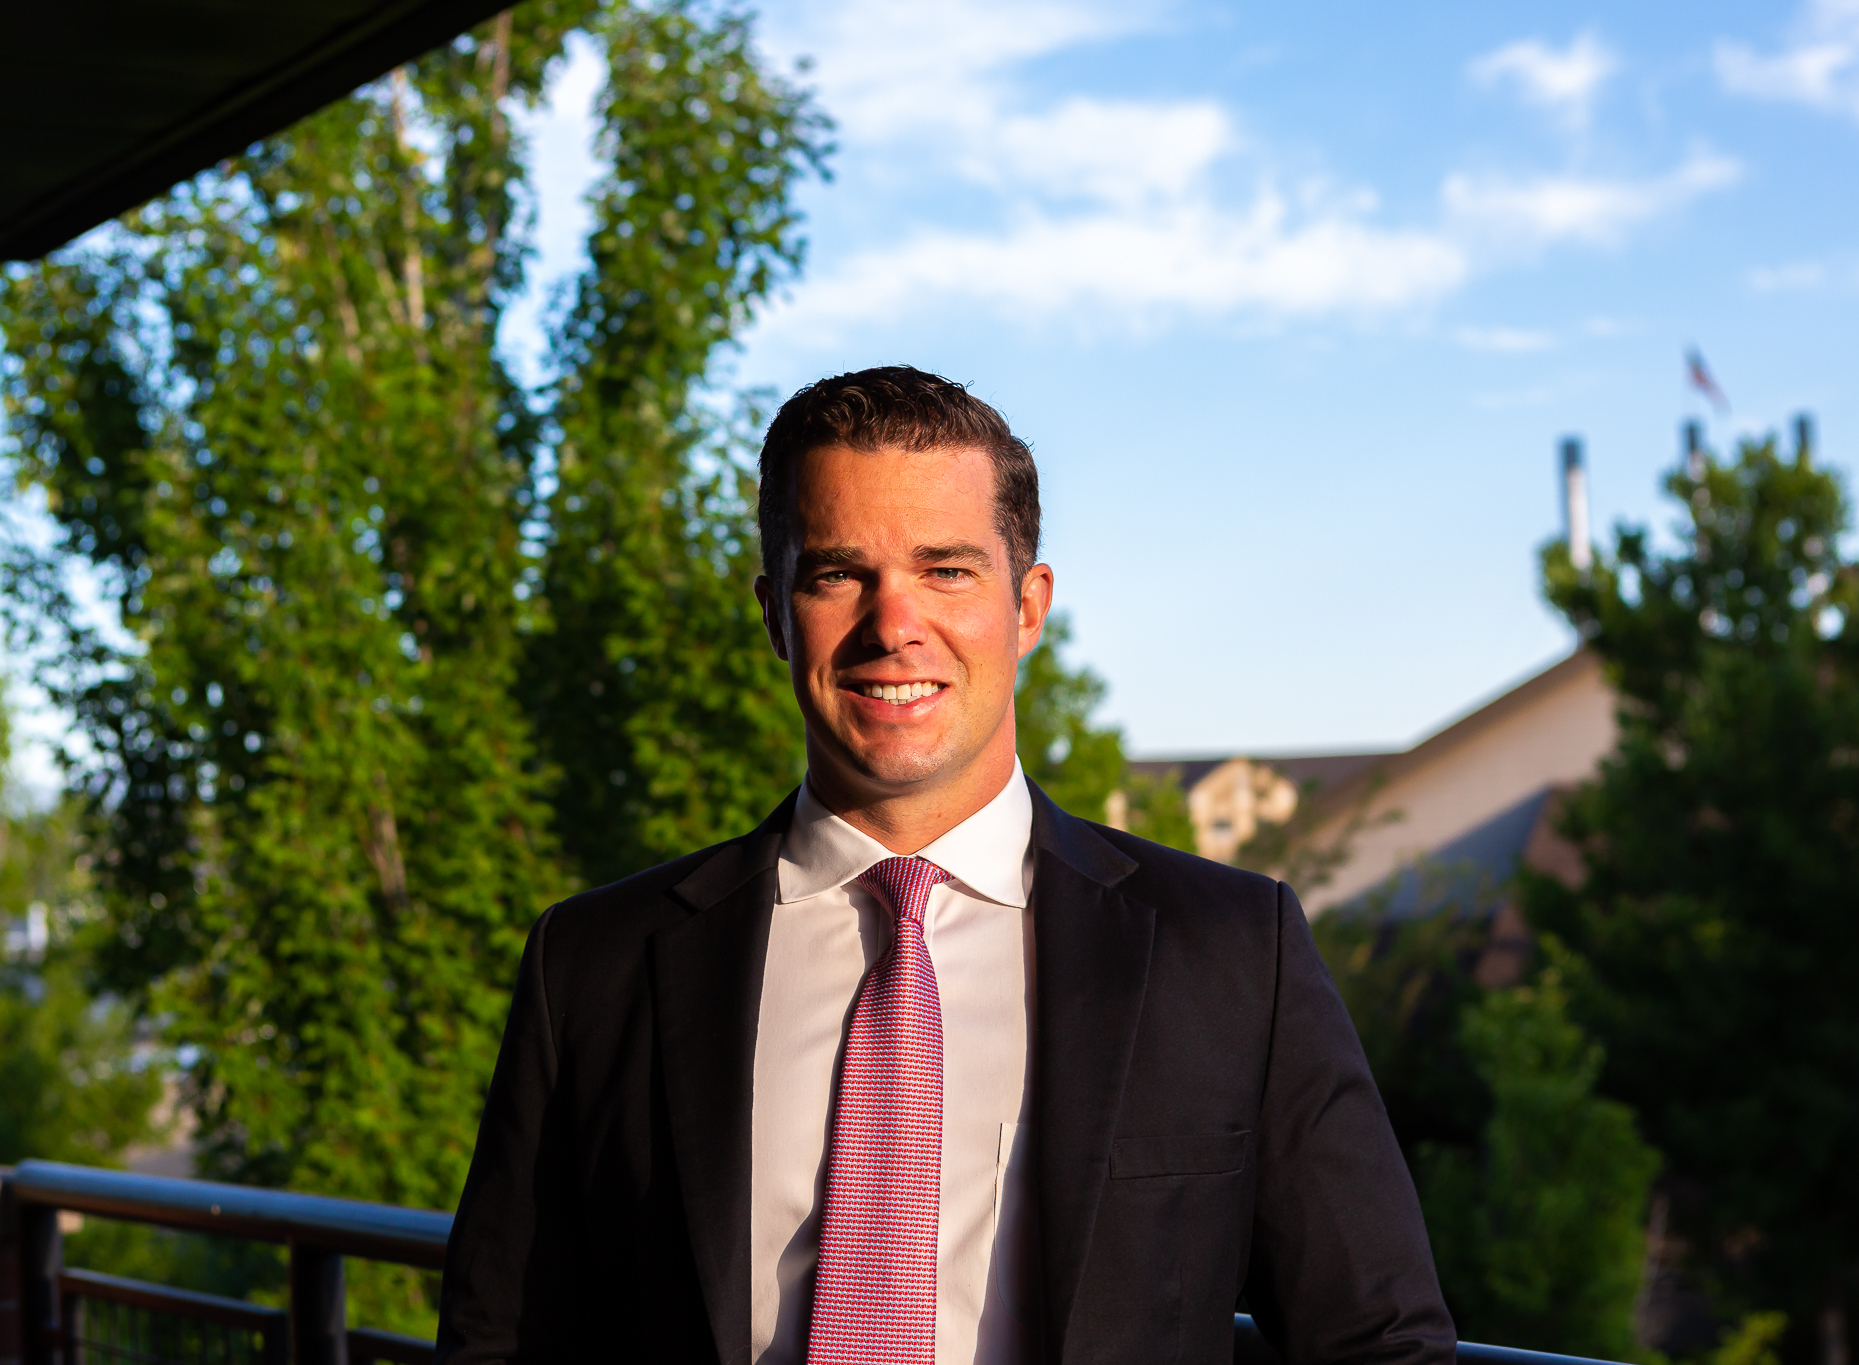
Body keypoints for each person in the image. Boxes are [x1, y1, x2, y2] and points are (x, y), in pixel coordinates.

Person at [434, 367, 1453, 1365]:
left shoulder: (1230, 953)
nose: (893, 624)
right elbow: (501, 1339)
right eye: (838, 573)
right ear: (772, 614)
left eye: (945, 570)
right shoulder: (595, 967)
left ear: (1026, 608)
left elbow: (1377, 1340)